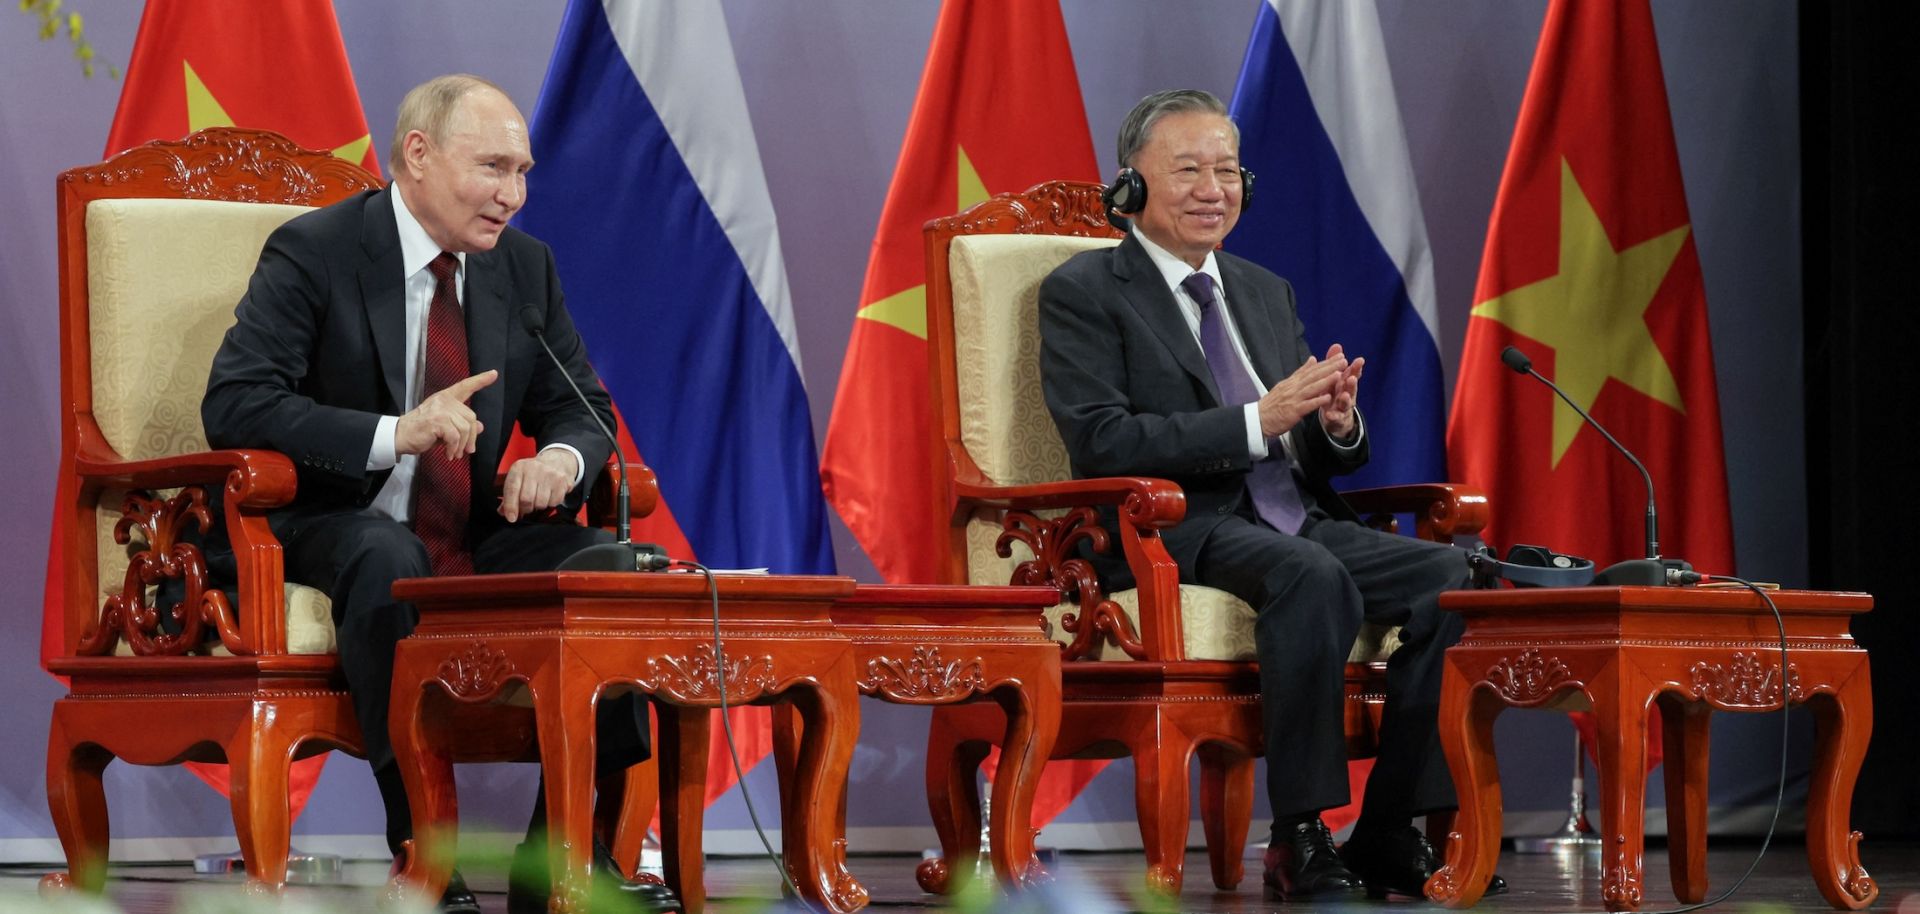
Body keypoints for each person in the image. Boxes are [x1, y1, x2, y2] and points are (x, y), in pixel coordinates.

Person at [203, 75, 674, 914]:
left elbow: (581, 405)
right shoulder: (316, 250)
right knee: (390, 555)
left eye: (524, 173)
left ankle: (568, 859)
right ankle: (423, 849)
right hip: (328, 523)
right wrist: (395, 433)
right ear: (416, 155)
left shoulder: (523, 269)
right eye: (493, 167)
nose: (513, 196)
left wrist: (560, 463)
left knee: (615, 570)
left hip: (468, 527)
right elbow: (236, 402)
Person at [1038, 89, 1501, 902]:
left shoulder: (1260, 288)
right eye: (1188, 169)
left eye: (1227, 170)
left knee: (1460, 584)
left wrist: (1332, 423)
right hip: (1177, 525)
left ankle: (1389, 829)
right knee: (1309, 576)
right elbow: (1102, 441)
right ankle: (1301, 835)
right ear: (1131, 187)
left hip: (1294, 513)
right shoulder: (1086, 291)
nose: (1214, 188)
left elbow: (1311, 453)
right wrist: (1259, 420)